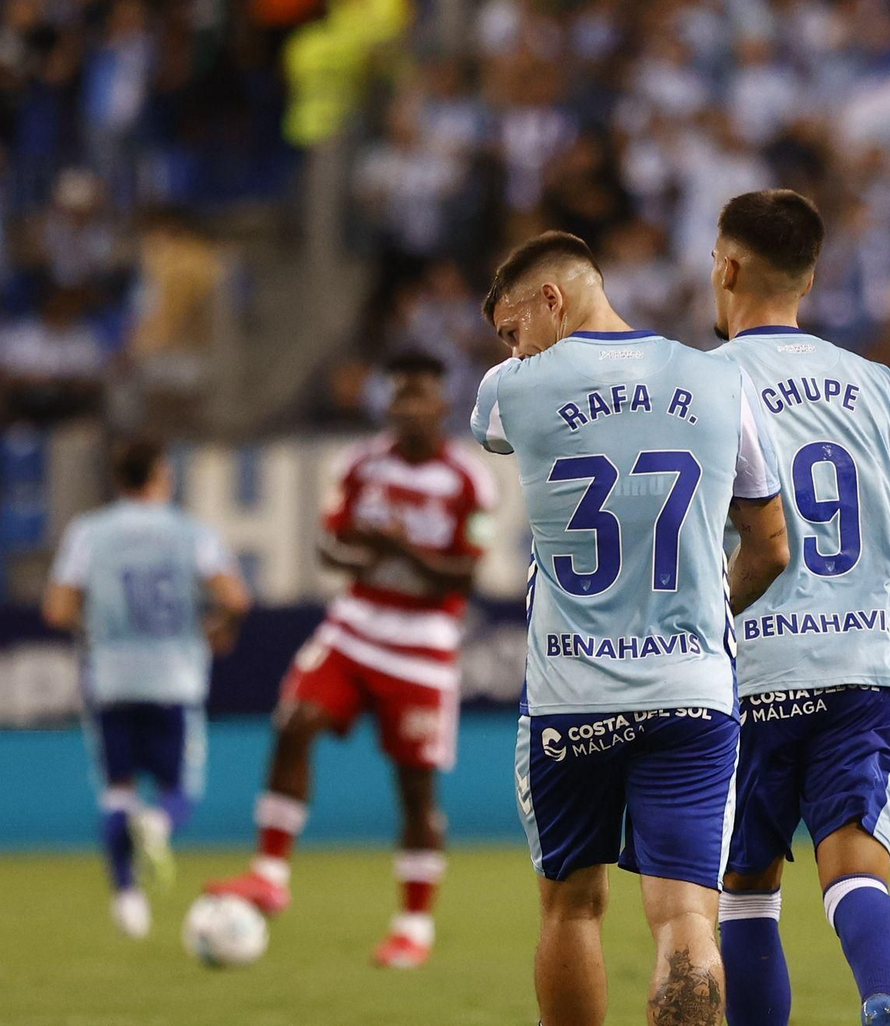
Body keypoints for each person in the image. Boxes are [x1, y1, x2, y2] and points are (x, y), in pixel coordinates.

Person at [472, 230, 789, 1026]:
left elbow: (498, 429)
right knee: (686, 917)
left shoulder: (511, 388)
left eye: (514, 327)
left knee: (571, 907)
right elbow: (771, 543)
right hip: (689, 690)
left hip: (569, 694)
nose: (515, 346)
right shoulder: (718, 381)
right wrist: (706, 616)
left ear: (552, 299)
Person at [707, 190, 890, 1026]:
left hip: (748, 669)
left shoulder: (700, 385)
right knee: (854, 870)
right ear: (810, 278)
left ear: (729, 266)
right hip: (860, 665)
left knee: (744, 890)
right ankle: (881, 1004)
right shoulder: (872, 380)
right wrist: (875, 574)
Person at [205, 350, 496, 969]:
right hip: (355, 626)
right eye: (398, 396)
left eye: (420, 396)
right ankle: (270, 873)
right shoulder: (359, 463)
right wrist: (364, 555)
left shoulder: (471, 479)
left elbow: (465, 574)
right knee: (293, 721)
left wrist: (400, 547)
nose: (408, 408)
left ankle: (413, 926)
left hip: (423, 646)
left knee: (415, 789)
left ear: (442, 404)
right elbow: (327, 544)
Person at [42, 438, 251, 939]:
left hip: (111, 678)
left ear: (117, 480)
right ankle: (158, 823)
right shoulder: (189, 533)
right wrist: (218, 628)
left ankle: (126, 896)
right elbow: (235, 598)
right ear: (164, 475)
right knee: (179, 793)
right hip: (174, 679)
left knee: (116, 793)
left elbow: (59, 610)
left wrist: (101, 625)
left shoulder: (89, 533)